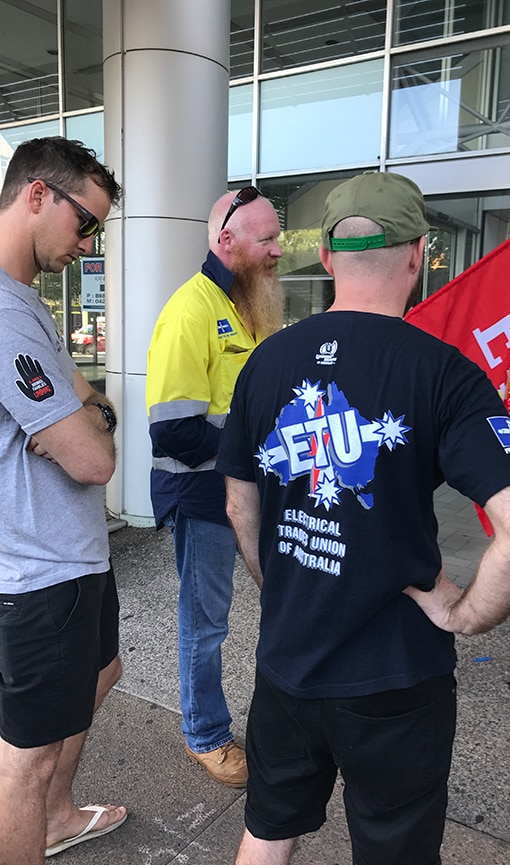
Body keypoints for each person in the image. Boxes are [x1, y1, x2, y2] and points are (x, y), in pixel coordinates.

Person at [216, 172, 510, 864]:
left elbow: (236, 502)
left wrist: (279, 586)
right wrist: (463, 614)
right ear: (418, 253)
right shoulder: (447, 373)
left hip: (288, 659)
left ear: (330, 259)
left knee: (268, 829)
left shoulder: (265, 361)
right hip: (397, 676)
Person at [0, 137, 125, 865]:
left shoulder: (22, 302)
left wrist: (86, 414)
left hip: (72, 554)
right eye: (85, 222)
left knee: (103, 672)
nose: (88, 242)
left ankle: (58, 817)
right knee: (24, 756)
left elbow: (92, 405)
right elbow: (94, 457)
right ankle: (41, 815)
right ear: (37, 194)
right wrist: (87, 423)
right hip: (37, 573)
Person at [145, 186, 283, 788]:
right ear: (227, 241)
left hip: (246, 494)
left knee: (256, 611)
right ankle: (205, 734)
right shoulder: (191, 309)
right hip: (205, 501)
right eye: (268, 239)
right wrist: (251, 461)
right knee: (206, 623)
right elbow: (174, 429)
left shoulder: (250, 304)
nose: (279, 250)